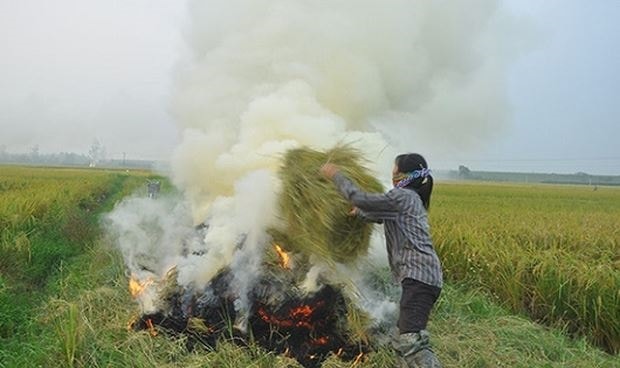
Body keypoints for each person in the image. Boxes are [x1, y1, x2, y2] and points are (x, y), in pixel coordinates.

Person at [320, 153, 443, 368]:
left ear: (402, 174)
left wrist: (336, 175)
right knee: (401, 337)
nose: (392, 174)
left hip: (419, 278)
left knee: (410, 341)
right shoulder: (409, 198)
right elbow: (379, 215)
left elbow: (359, 198)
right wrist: (359, 213)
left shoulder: (403, 196)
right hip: (419, 278)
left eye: (394, 170)